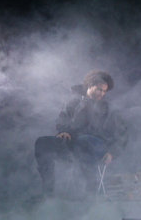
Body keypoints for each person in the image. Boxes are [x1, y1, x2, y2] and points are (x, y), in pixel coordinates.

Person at [35, 70, 128, 199]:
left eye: (104, 91)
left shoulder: (108, 108)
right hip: (73, 145)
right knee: (42, 142)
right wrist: (63, 131)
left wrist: (112, 152)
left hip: (97, 146)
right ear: (89, 86)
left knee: (84, 140)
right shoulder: (72, 102)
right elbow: (62, 120)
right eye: (99, 89)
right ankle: (47, 192)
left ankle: (91, 192)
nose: (101, 94)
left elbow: (122, 134)